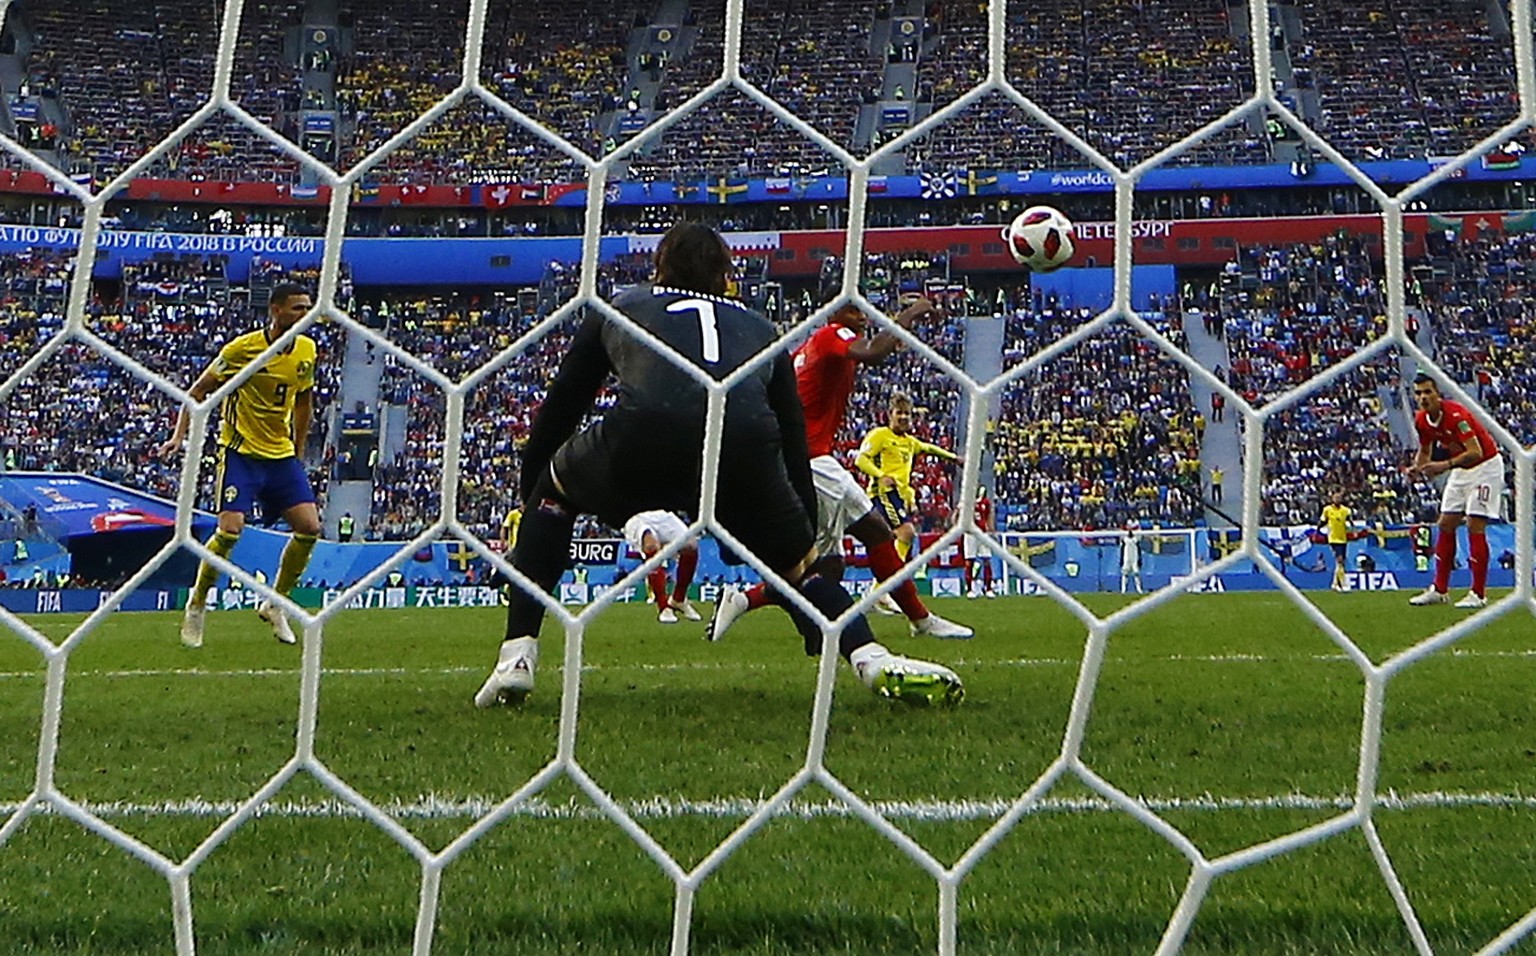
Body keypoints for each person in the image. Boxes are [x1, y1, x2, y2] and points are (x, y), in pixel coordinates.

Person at [475, 223, 963, 708]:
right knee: (801, 569)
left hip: (645, 436)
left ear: (659, 265)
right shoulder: (759, 326)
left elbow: (564, 404)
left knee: (555, 493)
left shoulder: (622, 305)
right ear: (725, 275)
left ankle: (517, 657)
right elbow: (790, 432)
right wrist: (798, 526)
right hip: (742, 447)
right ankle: (871, 656)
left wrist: (533, 491)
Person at [708, 298, 973, 642]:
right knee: (822, 568)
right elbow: (874, 353)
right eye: (853, 310)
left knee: (877, 534)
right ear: (832, 312)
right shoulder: (831, 335)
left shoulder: (806, 348)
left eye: (863, 310)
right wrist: (913, 312)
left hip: (815, 460)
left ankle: (920, 619)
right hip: (813, 466)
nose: (861, 317)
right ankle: (745, 600)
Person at [156, 282, 322, 647]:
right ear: (275, 310)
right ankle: (197, 605)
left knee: (309, 528)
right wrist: (179, 436)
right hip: (240, 452)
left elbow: (303, 401)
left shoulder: (307, 350)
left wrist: (298, 447)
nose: (305, 315)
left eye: (308, 308)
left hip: (280, 455)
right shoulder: (242, 349)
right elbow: (198, 390)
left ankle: (276, 604)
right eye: (297, 308)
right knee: (230, 530)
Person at [1404, 373, 1504, 609]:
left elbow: (1476, 451)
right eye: (1418, 393)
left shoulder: (1456, 415)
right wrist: (1417, 468)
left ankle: (1478, 594)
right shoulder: (1421, 420)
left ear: (1438, 394)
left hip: (1485, 467)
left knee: (1474, 524)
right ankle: (1440, 589)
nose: (1423, 398)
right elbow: (1425, 450)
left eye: (1428, 392)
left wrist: (1443, 466)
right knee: (1446, 524)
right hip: (1461, 470)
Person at [855, 392, 960, 561]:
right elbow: (860, 460)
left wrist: (955, 459)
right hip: (884, 494)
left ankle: (885, 583)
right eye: (899, 413)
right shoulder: (880, 435)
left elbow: (930, 448)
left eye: (907, 413)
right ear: (890, 414)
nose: (904, 417)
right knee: (906, 532)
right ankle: (893, 577)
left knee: (895, 540)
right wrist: (881, 475)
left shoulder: (910, 442)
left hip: (898, 497)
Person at [622, 509, 701, 623]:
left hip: (664, 515)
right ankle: (663, 607)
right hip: (638, 516)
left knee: (691, 546)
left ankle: (678, 599)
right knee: (651, 546)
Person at [963, 487, 996, 598]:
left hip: (982, 533)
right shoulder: (967, 502)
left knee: (986, 560)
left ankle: (988, 589)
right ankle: (969, 589)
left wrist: (991, 528)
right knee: (969, 562)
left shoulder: (985, 502)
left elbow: (989, 515)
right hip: (970, 534)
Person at [1320, 491, 1352, 592]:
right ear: (1332, 499)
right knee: (1340, 559)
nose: (1337, 500)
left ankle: (1334, 584)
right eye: (1335, 498)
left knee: (1340, 563)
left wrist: (1353, 529)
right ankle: (1344, 584)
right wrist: (1317, 532)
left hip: (1343, 538)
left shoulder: (1345, 510)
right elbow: (1322, 521)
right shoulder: (1327, 510)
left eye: (1339, 498)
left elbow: (1349, 521)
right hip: (1333, 539)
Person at [1119, 521, 1143, 595]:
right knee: (1125, 573)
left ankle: (1139, 589)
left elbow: (1139, 549)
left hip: (1134, 558)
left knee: (1136, 573)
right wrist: (1121, 559)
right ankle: (1123, 589)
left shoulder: (1135, 540)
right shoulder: (1125, 540)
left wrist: (1140, 558)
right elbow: (1122, 549)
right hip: (1127, 558)